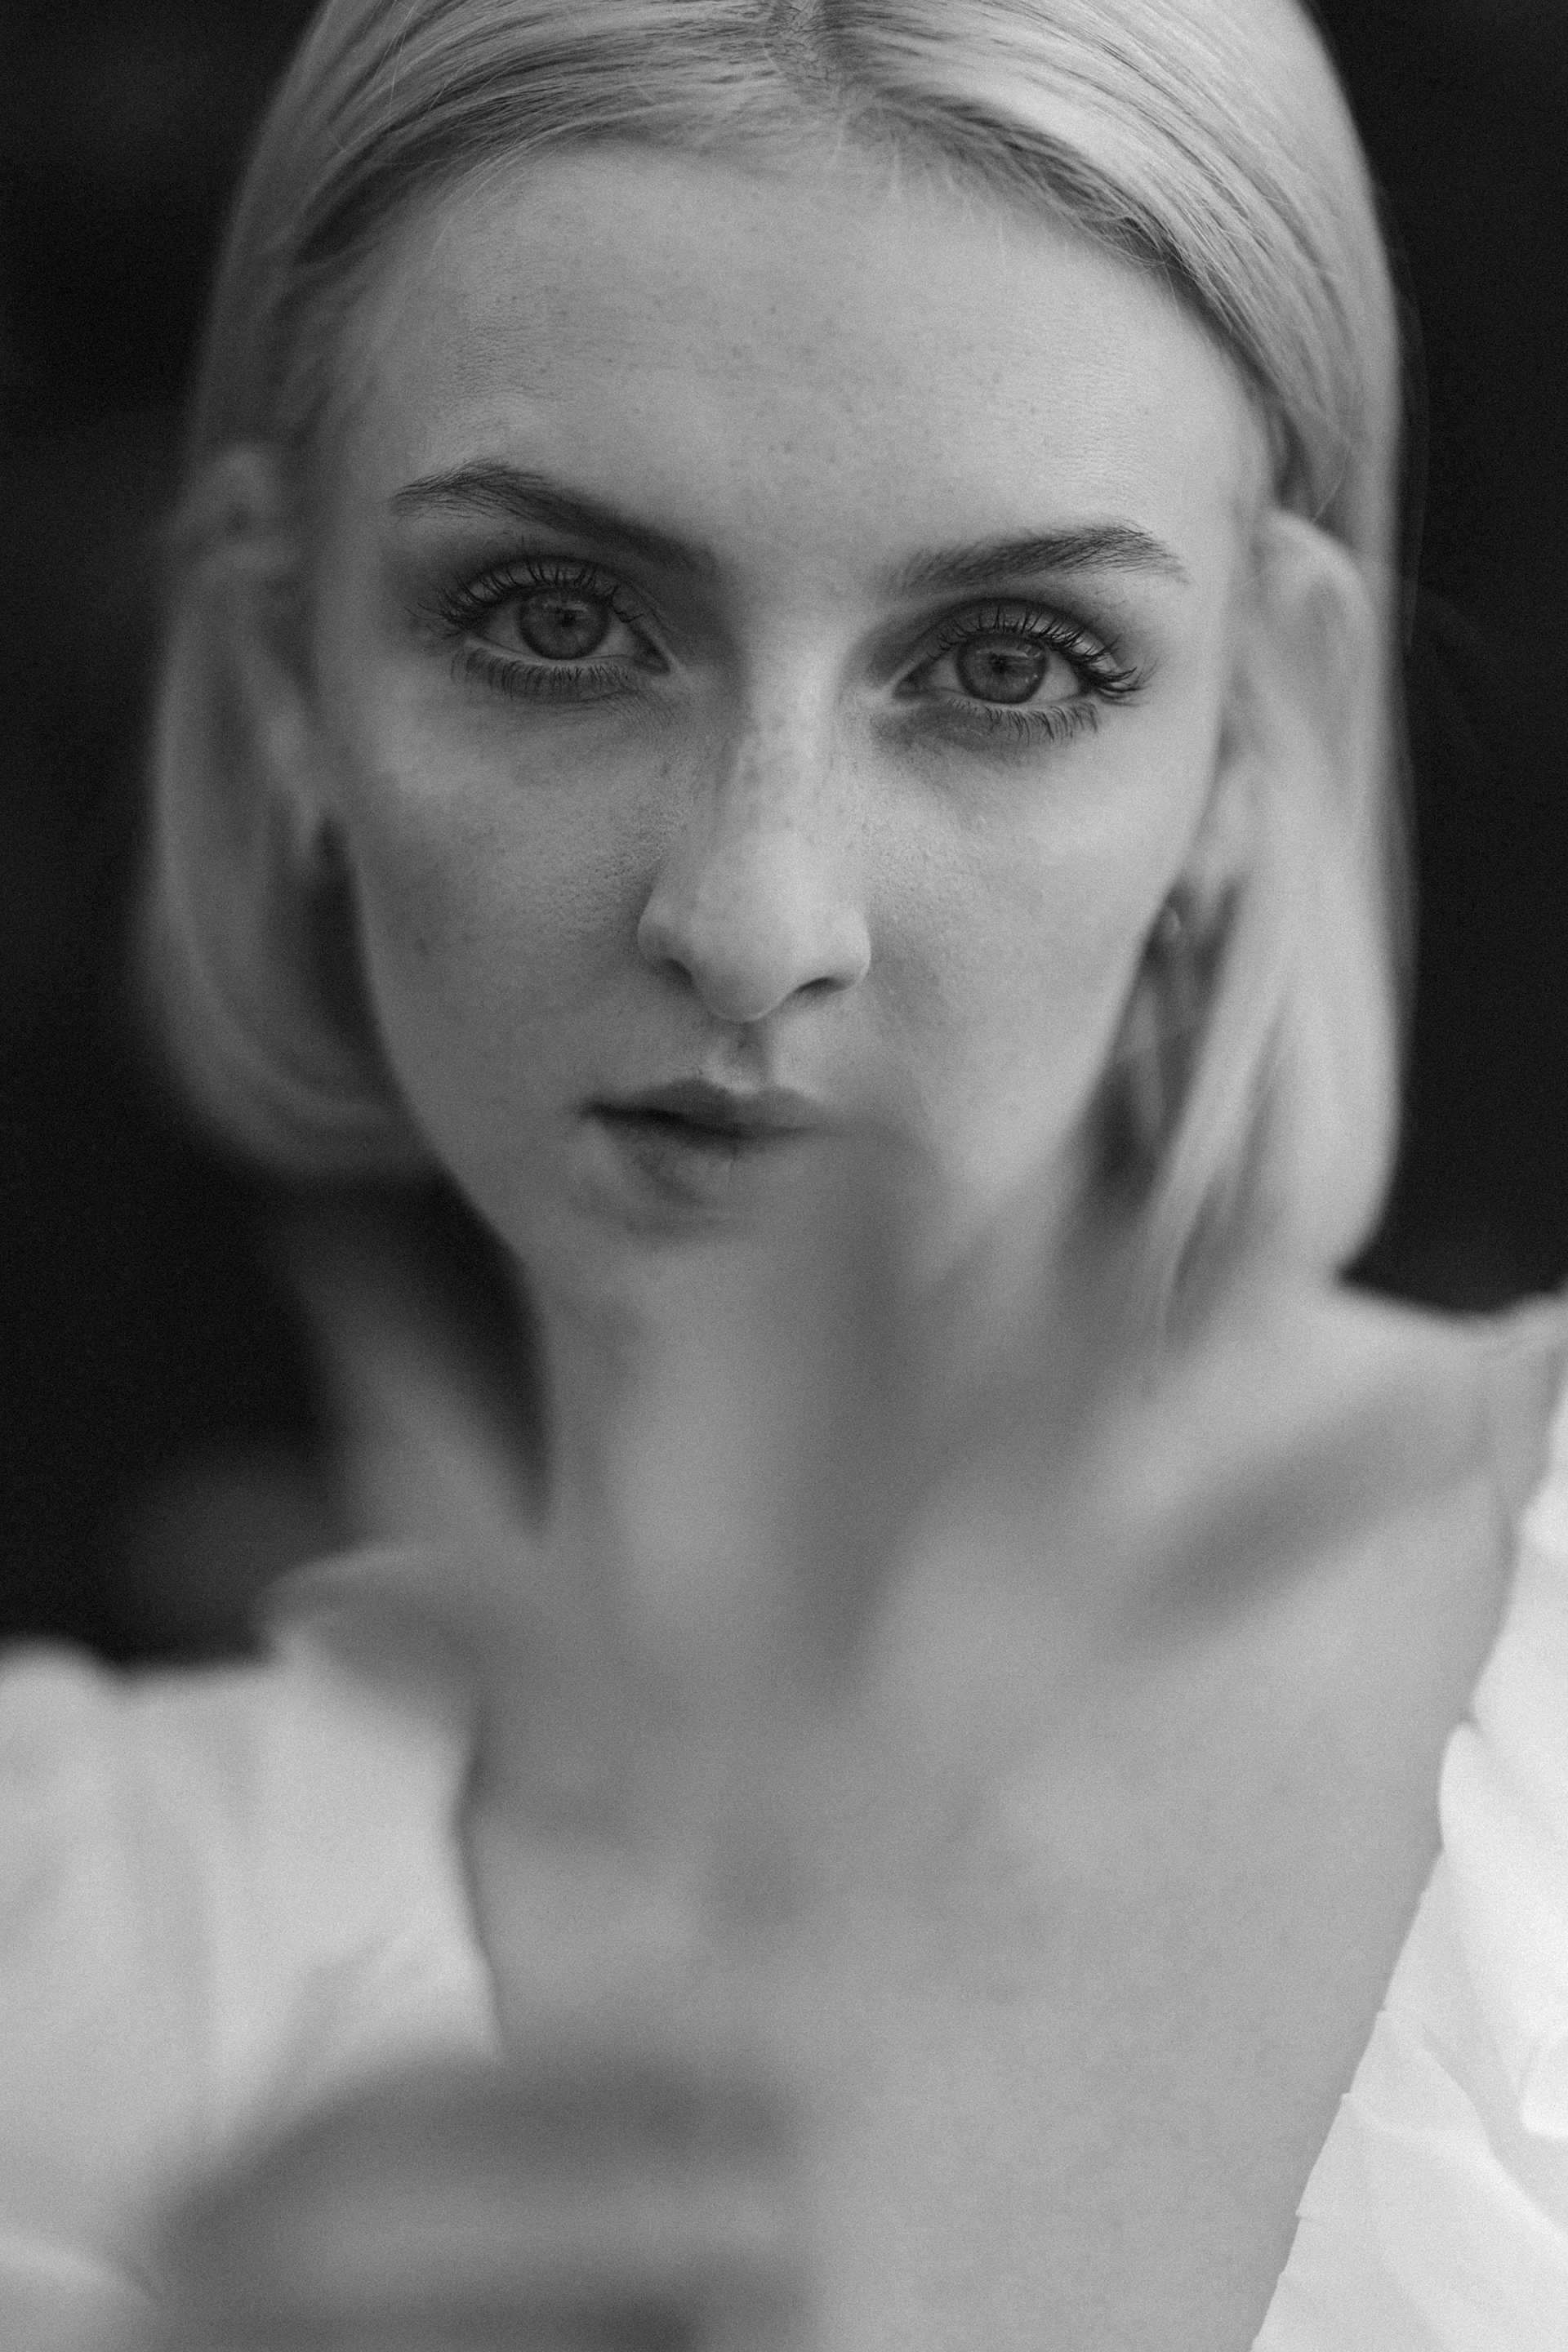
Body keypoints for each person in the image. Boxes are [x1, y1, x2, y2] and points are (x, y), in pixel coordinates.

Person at [4, 0, 1567, 2344]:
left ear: (1261, 741)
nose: (752, 918)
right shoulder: (61, 1964)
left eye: (1013, 665)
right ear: (276, 676)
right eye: (554, 623)